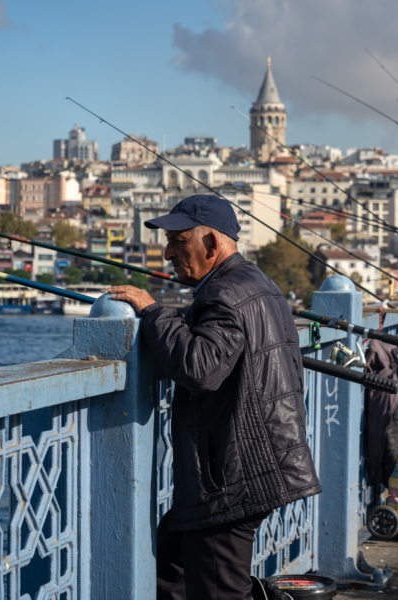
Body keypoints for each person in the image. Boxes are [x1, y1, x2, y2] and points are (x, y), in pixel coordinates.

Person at [109, 194, 321, 599]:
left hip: (233, 475)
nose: (168, 253)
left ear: (211, 244)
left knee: (219, 591)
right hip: (255, 463)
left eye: (178, 242)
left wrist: (154, 312)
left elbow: (200, 369)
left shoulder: (222, 295)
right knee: (171, 563)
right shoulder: (258, 284)